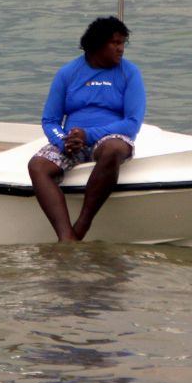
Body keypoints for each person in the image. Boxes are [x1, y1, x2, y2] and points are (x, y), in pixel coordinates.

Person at [27, 16, 145, 242]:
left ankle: (82, 226)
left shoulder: (130, 73)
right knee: (38, 165)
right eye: (116, 43)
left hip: (111, 137)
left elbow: (132, 122)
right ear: (98, 45)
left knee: (112, 149)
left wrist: (88, 134)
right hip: (72, 141)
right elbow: (50, 120)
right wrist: (64, 141)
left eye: (123, 43)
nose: (121, 49)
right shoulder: (68, 73)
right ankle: (66, 237)